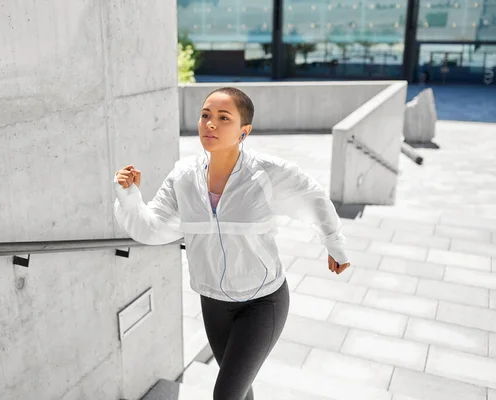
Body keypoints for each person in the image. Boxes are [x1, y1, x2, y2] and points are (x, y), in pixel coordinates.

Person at [113, 87, 350, 400]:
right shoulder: (183, 177)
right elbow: (153, 228)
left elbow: (313, 197)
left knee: (225, 394)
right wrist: (129, 197)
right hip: (212, 303)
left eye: (223, 118)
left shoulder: (267, 173)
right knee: (240, 390)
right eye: (206, 116)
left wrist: (334, 244)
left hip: (262, 302)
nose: (210, 123)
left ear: (243, 131)